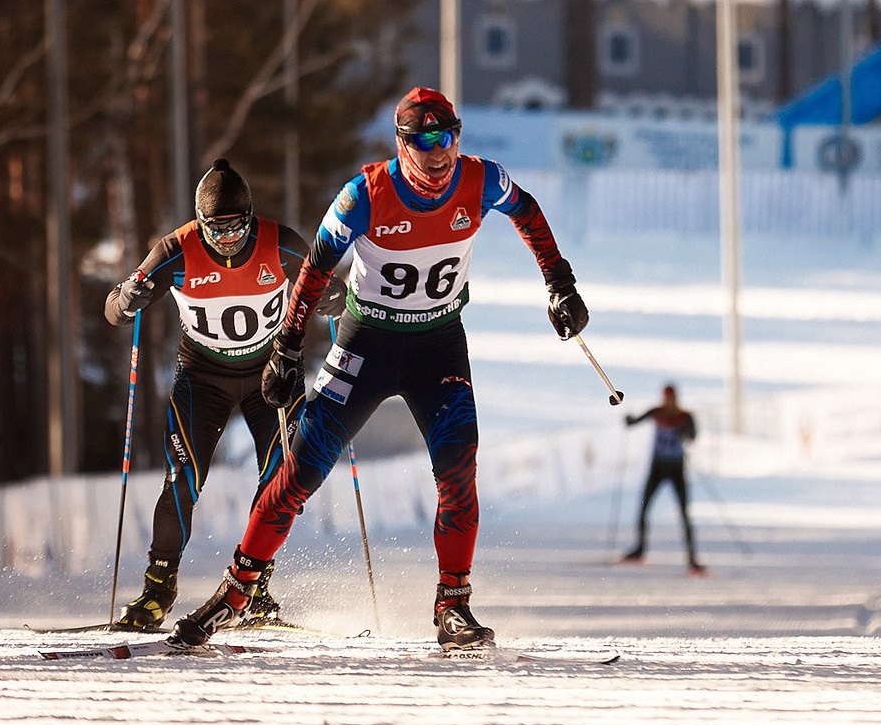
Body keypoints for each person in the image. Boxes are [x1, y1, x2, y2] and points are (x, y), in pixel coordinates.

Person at [172, 87, 589, 651]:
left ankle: (453, 605)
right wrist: (289, 347)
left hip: (438, 345)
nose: (440, 155)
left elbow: (528, 211)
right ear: (402, 144)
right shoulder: (364, 194)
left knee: (459, 468)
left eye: (448, 139)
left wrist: (559, 282)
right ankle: (237, 591)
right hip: (367, 344)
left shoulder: (480, 178)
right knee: (300, 469)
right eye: (425, 142)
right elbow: (317, 268)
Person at [102, 158, 309, 632]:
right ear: (200, 222)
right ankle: (159, 588)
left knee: (281, 479)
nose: (227, 237)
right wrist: (126, 300)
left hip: (270, 376)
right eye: (215, 228)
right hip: (202, 377)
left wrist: (334, 297)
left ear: (250, 217)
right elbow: (114, 309)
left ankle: (253, 586)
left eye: (236, 226)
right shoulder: (176, 249)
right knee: (182, 480)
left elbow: (320, 280)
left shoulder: (279, 242)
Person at [619, 383, 702, 572]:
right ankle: (639, 549)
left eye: (671, 397)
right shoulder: (657, 412)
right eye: (666, 397)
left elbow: (694, 436)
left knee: (684, 512)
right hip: (657, 467)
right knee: (644, 506)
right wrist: (625, 414)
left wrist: (685, 433)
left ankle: (692, 558)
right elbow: (633, 423)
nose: (668, 401)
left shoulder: (685, 417)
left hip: (676, 468)